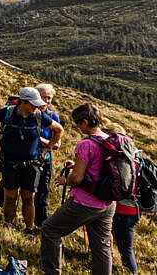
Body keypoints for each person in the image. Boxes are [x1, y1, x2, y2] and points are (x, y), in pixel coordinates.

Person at [41, 102, 117, 275]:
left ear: (84, 122)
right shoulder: (109, 140)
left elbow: (76, 178)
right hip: (107, 203)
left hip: (85, 202)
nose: (78, 127)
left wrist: (65, 180)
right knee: (101, 245)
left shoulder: (86, 144)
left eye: (78, 123)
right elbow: (99, 167)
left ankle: (52, 272)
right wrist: (77, 164)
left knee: (49, 230)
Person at [0, 87, 64, 234]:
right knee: (10, 196)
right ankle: (8, 224)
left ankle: (29, 228)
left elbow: (59, 130)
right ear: (22, 102)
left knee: (28, 197)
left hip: (32, 164)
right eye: (33, 104)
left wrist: (47, 149)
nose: (36, 106)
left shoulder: (39, 115)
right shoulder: (8, 112)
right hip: (9, 162)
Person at [105, 122, 140, 275]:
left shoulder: (115, 161)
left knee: (124, 248)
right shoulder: (137, 160)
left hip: (119, 209)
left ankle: (131, 271)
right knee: (127, 247)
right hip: (134, 210)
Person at [34, 84, 62, 227]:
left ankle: (40, 221)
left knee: (43, 190)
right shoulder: (28, 113)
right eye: (43, 97)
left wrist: (37, 139)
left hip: (45, 159)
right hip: (25, 156)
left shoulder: (52, 117)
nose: (46, 101)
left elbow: (57, 144)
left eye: (49, 98)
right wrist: (48, 142)